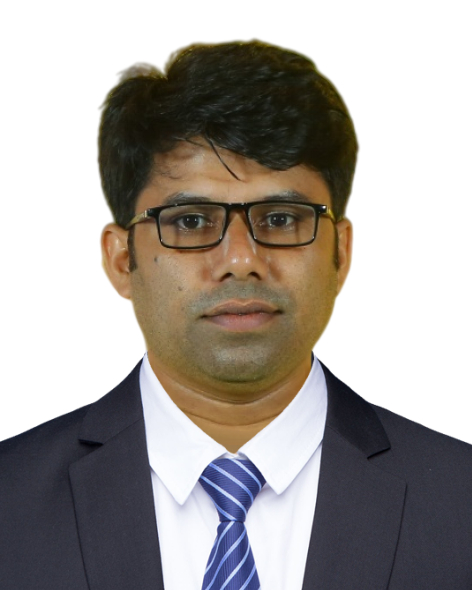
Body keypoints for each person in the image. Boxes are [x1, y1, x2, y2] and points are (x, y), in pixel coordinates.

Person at [0, 40, 471, 590]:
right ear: (122, 259)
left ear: (340, 253)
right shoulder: (10, 500)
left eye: (281, 218)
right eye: (192, 221)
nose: (242, 260)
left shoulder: (458, 502)